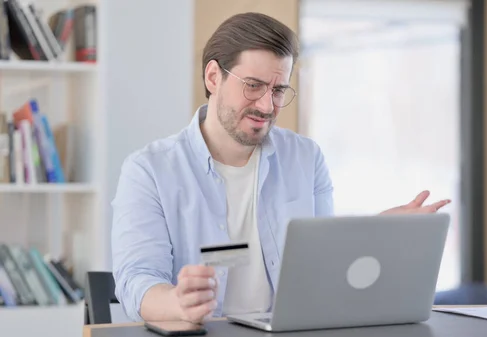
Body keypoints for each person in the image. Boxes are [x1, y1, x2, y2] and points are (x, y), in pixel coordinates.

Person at [111, 12, 451, 324]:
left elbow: (322, 265)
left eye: (278, 90)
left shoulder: (305, 158)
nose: (266, 105)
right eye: (254, 86)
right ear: (214, 77)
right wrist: (177, 303)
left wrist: (376, 233)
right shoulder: (149, 171)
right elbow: (136, 281)